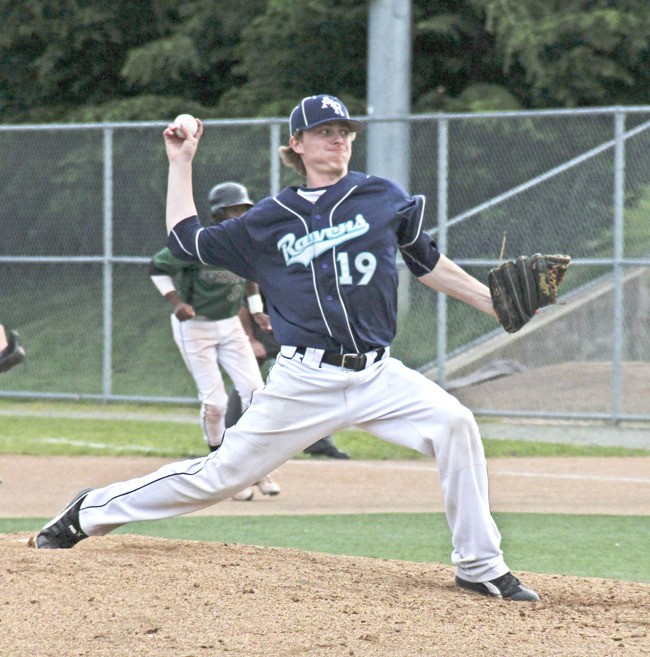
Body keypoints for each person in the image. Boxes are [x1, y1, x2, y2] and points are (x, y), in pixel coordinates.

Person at [36, 94, 540, 602]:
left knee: (455, 423)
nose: (338, 138)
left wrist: (491, 304)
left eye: (344, 130)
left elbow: (426, 260)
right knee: (220, 476)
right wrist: (180, 162)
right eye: (325, 131)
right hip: (305, 381)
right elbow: (186, 241)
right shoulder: (268, 219)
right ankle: (89, 512)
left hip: (377, 374)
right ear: (296, 144)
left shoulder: (382, 197)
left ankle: (479, 565)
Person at [149, 181, 280, 501]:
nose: (241, 214)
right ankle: (219, 470)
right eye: (235, 209)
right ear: (219, 213)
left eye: (245, 209)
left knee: (256, 394)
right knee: (215, 403)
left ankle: (255, 467)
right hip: (195, 327)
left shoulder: (245, 243)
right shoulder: (200, 243)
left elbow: (251, 280)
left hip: (231, 325)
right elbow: (157, 267)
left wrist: (258, 311)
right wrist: (176, 302)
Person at [227, 298, 350, 459]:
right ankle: (228, 439)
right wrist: (250, 340)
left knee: (313, 383)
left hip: (294, 335)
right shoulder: (271, 273)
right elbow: (243, 307)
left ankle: (319, 444)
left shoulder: (308, 276)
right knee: (245, 383)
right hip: (261, 333)